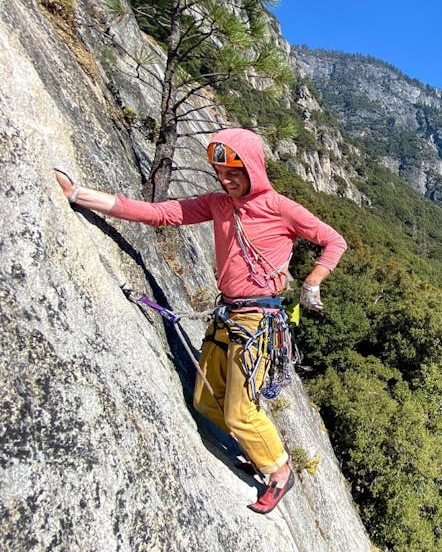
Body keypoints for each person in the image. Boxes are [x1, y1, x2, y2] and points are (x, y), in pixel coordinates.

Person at [54, 128, 347, 514]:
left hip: (258, 319)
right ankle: (260, 453)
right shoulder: (217, 203)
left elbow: (333, 240)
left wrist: (313, 281)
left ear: (253, 169)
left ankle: (279, 471)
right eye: (219, 173)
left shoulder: (281, 208)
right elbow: (161, 214)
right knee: (207, 401)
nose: (225, 180)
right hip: (228, 313)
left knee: (240, 411)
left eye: (233, 172)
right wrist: (81, 196)